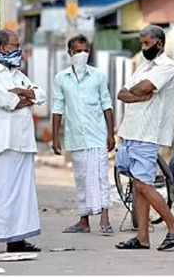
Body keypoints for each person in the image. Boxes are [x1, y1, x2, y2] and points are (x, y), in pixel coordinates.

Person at [115, 25, 174, 250]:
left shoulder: (167, 66)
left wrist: (139, 91)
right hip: (131, 131)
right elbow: (122, 94)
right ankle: (142, 237)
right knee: (138, 185)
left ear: (159, 43)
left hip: (148, 132)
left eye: (146, 43)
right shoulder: (143, 66)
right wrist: (139, 96)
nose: (143, 47)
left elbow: (147, 86)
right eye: (141, 43)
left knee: (143, 184)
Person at [0, 29, 45, 254]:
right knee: (0, 192)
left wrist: (23, 92)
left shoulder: (18, 74)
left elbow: (41, 95)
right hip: (2, 142)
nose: (19, 49)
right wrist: (24, 96)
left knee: (23, 193)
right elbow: (9, 101)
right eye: (15, 45)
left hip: (23, 141)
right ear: (2, 48)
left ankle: (17, 239)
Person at [52, 34, 115, 234]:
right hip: (76, 136)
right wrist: (55, 138)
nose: (82, 54)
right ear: (69, 53)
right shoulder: (61, 78)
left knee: (100, 177)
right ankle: (84, 221)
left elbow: (107, 104)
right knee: (81, 178)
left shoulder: (98, 76)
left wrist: (111, 134)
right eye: (78, 51)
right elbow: (57, 108)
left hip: (97, 134)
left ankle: (105, 219)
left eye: (85, 50)